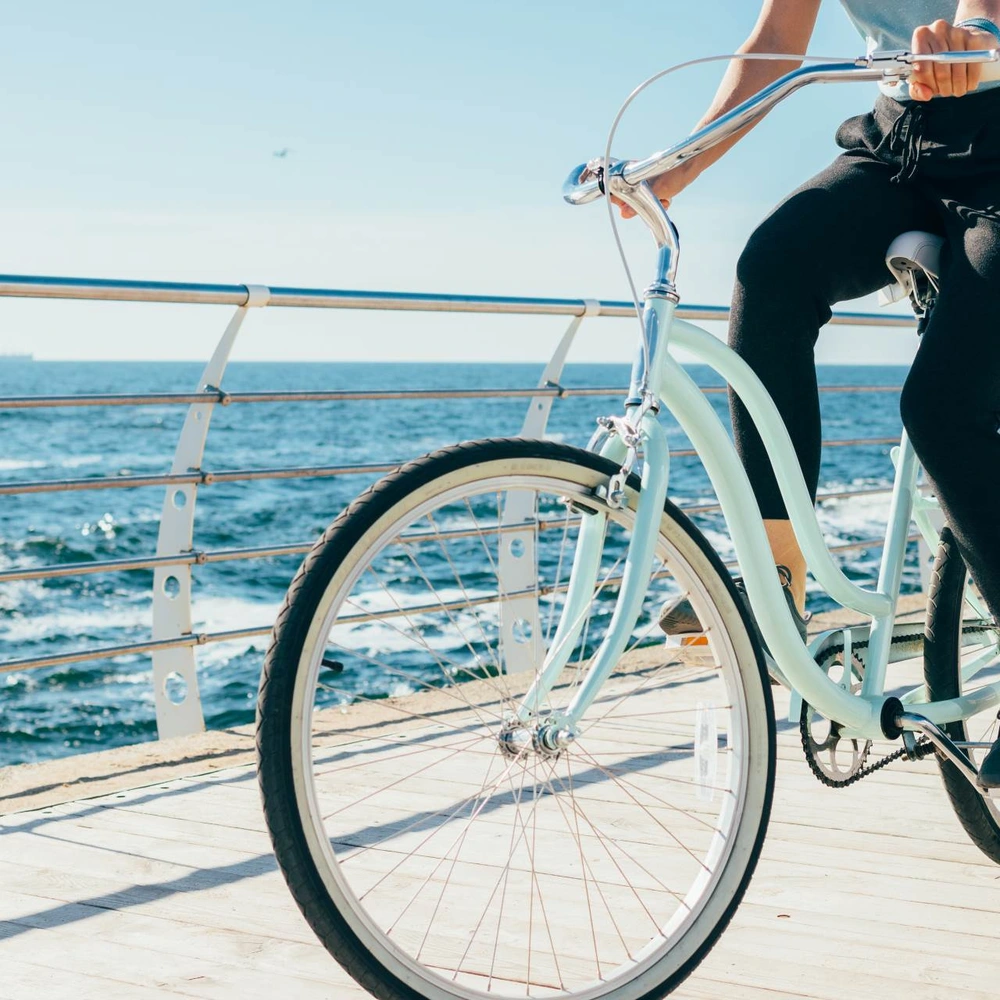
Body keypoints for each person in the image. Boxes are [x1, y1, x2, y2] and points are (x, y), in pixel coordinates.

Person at [633, 3, 1000, 783]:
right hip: (900, 137)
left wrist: (975, 35)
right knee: (768, 274)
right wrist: (678, 167)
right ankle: (779, 578)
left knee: (942, 407)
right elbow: (774, 46)